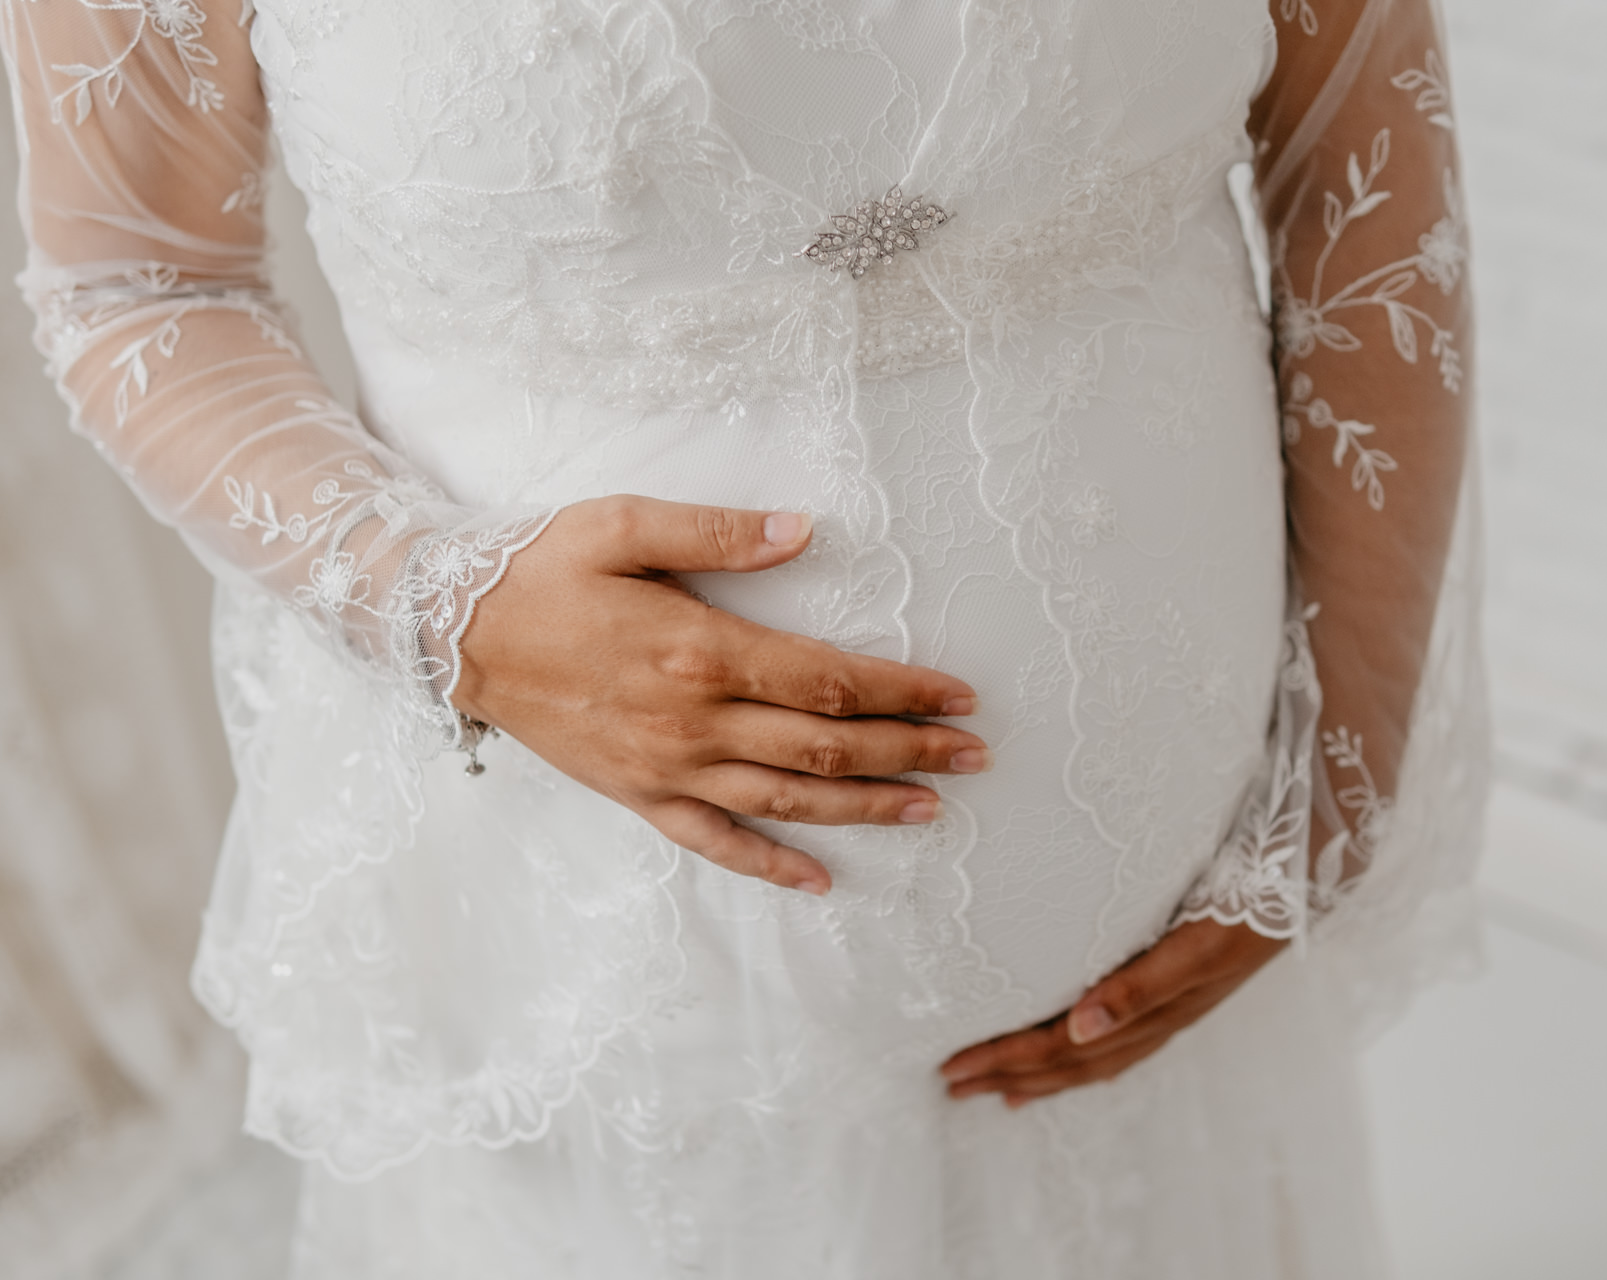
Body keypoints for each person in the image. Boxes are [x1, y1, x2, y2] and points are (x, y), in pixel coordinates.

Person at [1, 0, 1486, 1274]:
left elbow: (1359, 159)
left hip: (1169, 953)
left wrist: (1334, 764)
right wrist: (451, 610)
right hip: (608, 970)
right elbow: (139, 286)